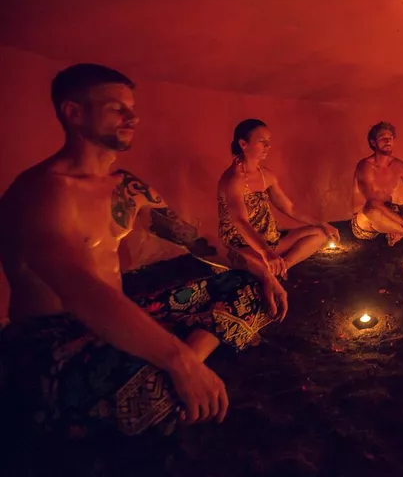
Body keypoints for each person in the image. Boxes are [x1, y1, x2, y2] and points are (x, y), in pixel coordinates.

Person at [0, 64, 288, 438]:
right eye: (116, 108)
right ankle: (176, 374)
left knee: (247, 286)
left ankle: (182, 371)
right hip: (53, 341)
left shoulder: (127, 188)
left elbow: (197, 241)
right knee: (143, 387)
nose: (132, 116)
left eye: (132, 108)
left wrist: (260, 270)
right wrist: (177, 358)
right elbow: (82, 292)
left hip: (121, 315)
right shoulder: (42, 193)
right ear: (73, 113)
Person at [217, 119, 338, 278]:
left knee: (320, 234)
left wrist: (323, 223)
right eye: (262, 142)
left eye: (269, 141)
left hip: (270, 241)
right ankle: (270, 268)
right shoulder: (233, 180)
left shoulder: (266, 175)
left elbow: (289, 208)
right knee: (257, 267)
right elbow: (240, 221)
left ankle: (283, 266)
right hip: (242, 247)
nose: (268, 146)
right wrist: (266, 252)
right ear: (243, 144)